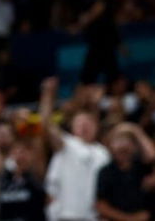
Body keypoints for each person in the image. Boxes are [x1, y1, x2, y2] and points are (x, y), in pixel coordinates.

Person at [39, 77, 110, 221]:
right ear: (72, 128)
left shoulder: (104, 153)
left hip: (94, 217)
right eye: (80, 123)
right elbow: (47, 124)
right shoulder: (67, 144)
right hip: (66, 215)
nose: (84, 126)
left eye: (88, 122)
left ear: (97, 127)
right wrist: (48, 95)